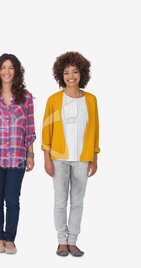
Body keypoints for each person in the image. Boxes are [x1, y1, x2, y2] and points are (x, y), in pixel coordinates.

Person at [41, 51, 100, 257]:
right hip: (59, 158)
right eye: (66, 72)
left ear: (82, 73)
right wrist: (47, 158)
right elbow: (46, 131)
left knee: (77, 202)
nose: (71, 76)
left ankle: (73, 241)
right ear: (61, 75)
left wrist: (94, 157)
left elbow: (95, 130)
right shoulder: (54, 100)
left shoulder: (91, 100)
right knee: (60, 201)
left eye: (75, 71)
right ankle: (61, 241)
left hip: (83, 159)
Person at [0, 53, 36, 254]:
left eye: (11, 68)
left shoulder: (26, 98)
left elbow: (29, 128)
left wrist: (31, 155)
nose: (7, 71)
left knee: (12, 199)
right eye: (3, 67)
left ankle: (10, 239)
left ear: (16, 71)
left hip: (17, 158)